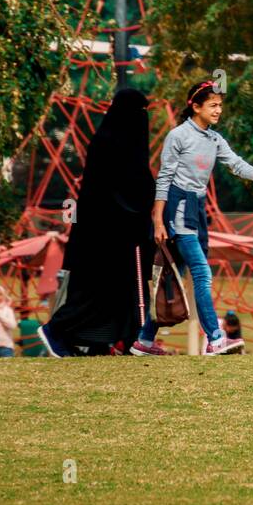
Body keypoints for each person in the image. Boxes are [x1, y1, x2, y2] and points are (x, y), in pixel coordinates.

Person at [135, 80, 253, 356]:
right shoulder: (179, 136)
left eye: (220, 105)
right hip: (178, 206)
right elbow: (164, 179)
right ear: (195, 106)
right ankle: (216, 339)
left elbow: (237, 165)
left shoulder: (214, 139)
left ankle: (144, 341)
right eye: (213, 105)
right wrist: (158, 221)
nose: (219, 110)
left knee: (176, 275)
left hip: (198, 208)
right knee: (201, 272)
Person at [39, 88, 157, 359]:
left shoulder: (107, 139)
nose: (143, 120)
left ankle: (112, 342)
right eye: (140, 114)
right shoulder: (113, 143)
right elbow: (125, 189)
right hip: (106, 238)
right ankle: (57, 330)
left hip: (110, 236)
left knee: (122, 289)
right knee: (98, 292)